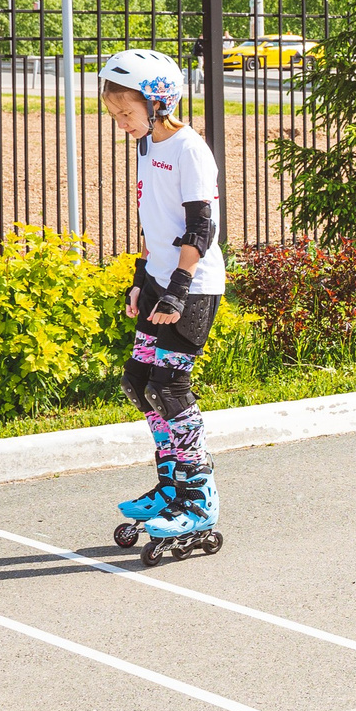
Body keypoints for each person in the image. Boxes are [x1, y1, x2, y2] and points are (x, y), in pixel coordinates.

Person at [99, 48, 226, 559]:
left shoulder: (190, 149)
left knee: (170, 387)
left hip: (191, 287)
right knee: (139, 382)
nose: (121, 122)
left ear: (157, 102)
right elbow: (154, 220)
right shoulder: (147, 145)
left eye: (126, 112)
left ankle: (199, 499)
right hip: (157, 281)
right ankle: (172, 485)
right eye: (114, 113)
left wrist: (177, 287)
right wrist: (141, 279)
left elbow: (201, 228)